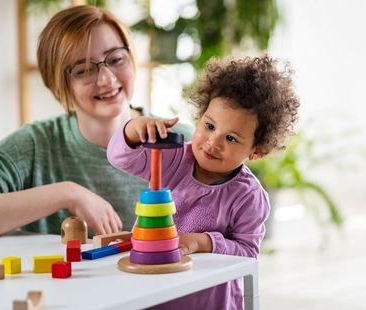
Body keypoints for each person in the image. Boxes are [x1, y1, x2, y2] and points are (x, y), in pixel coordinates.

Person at [0, 5, 191, 240]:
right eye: (84, 70)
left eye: (116, 58)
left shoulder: (185, 143)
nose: (107, 79)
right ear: (59, 84)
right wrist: (67, 194)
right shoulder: (35, 146)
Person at [107, 55, 300, 310]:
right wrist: (134, 130)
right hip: (153, 291)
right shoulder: (174, 159)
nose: (213, 142)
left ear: (256, 151)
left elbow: (247, 254)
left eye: (230, 138)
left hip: (209, 301)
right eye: (209, 126)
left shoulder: (248, 196)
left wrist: (203, 242)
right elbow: (120, 158)